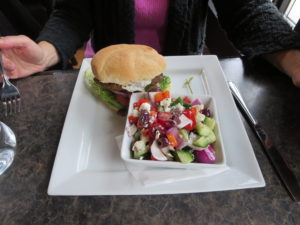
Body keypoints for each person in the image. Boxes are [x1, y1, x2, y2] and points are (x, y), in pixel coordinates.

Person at [0, 0, 300, 87]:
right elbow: (72, 12)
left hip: (180, 78)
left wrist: (294, 60)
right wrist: (45, 53)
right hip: (108, 80)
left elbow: (248, 9)